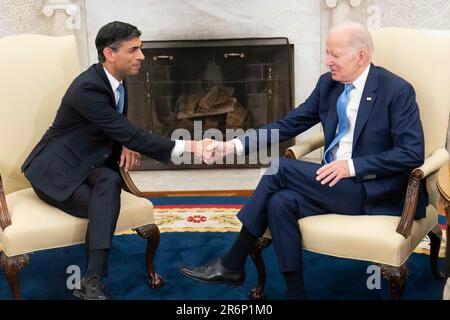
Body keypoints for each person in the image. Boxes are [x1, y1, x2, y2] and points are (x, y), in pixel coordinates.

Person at [180, 21, 427, 299]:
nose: (328, 62)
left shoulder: (396, 90)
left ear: (361, 56)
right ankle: (295, 294)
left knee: (280, 168)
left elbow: (412, 152)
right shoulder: (328, 85)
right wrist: (232, 146)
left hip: (374, 190)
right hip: (332, 185)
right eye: (327, 53)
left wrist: (352, 166)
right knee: (279, 202)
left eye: (335, 54)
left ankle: (232, 262)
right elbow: (288, 124)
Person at [21, 21, 211, 300]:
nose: (141, 56)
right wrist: (193, 146)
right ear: (109, 54)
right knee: (106, 205)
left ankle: (91, 279)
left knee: (110, 180)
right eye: (133, 50)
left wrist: (122, 141)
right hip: (55, 170)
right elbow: (128, 130)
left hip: (90, 162)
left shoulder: (116, 81)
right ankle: (93, 278)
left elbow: (115, 124)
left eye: (141, 49)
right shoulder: (87, 87)